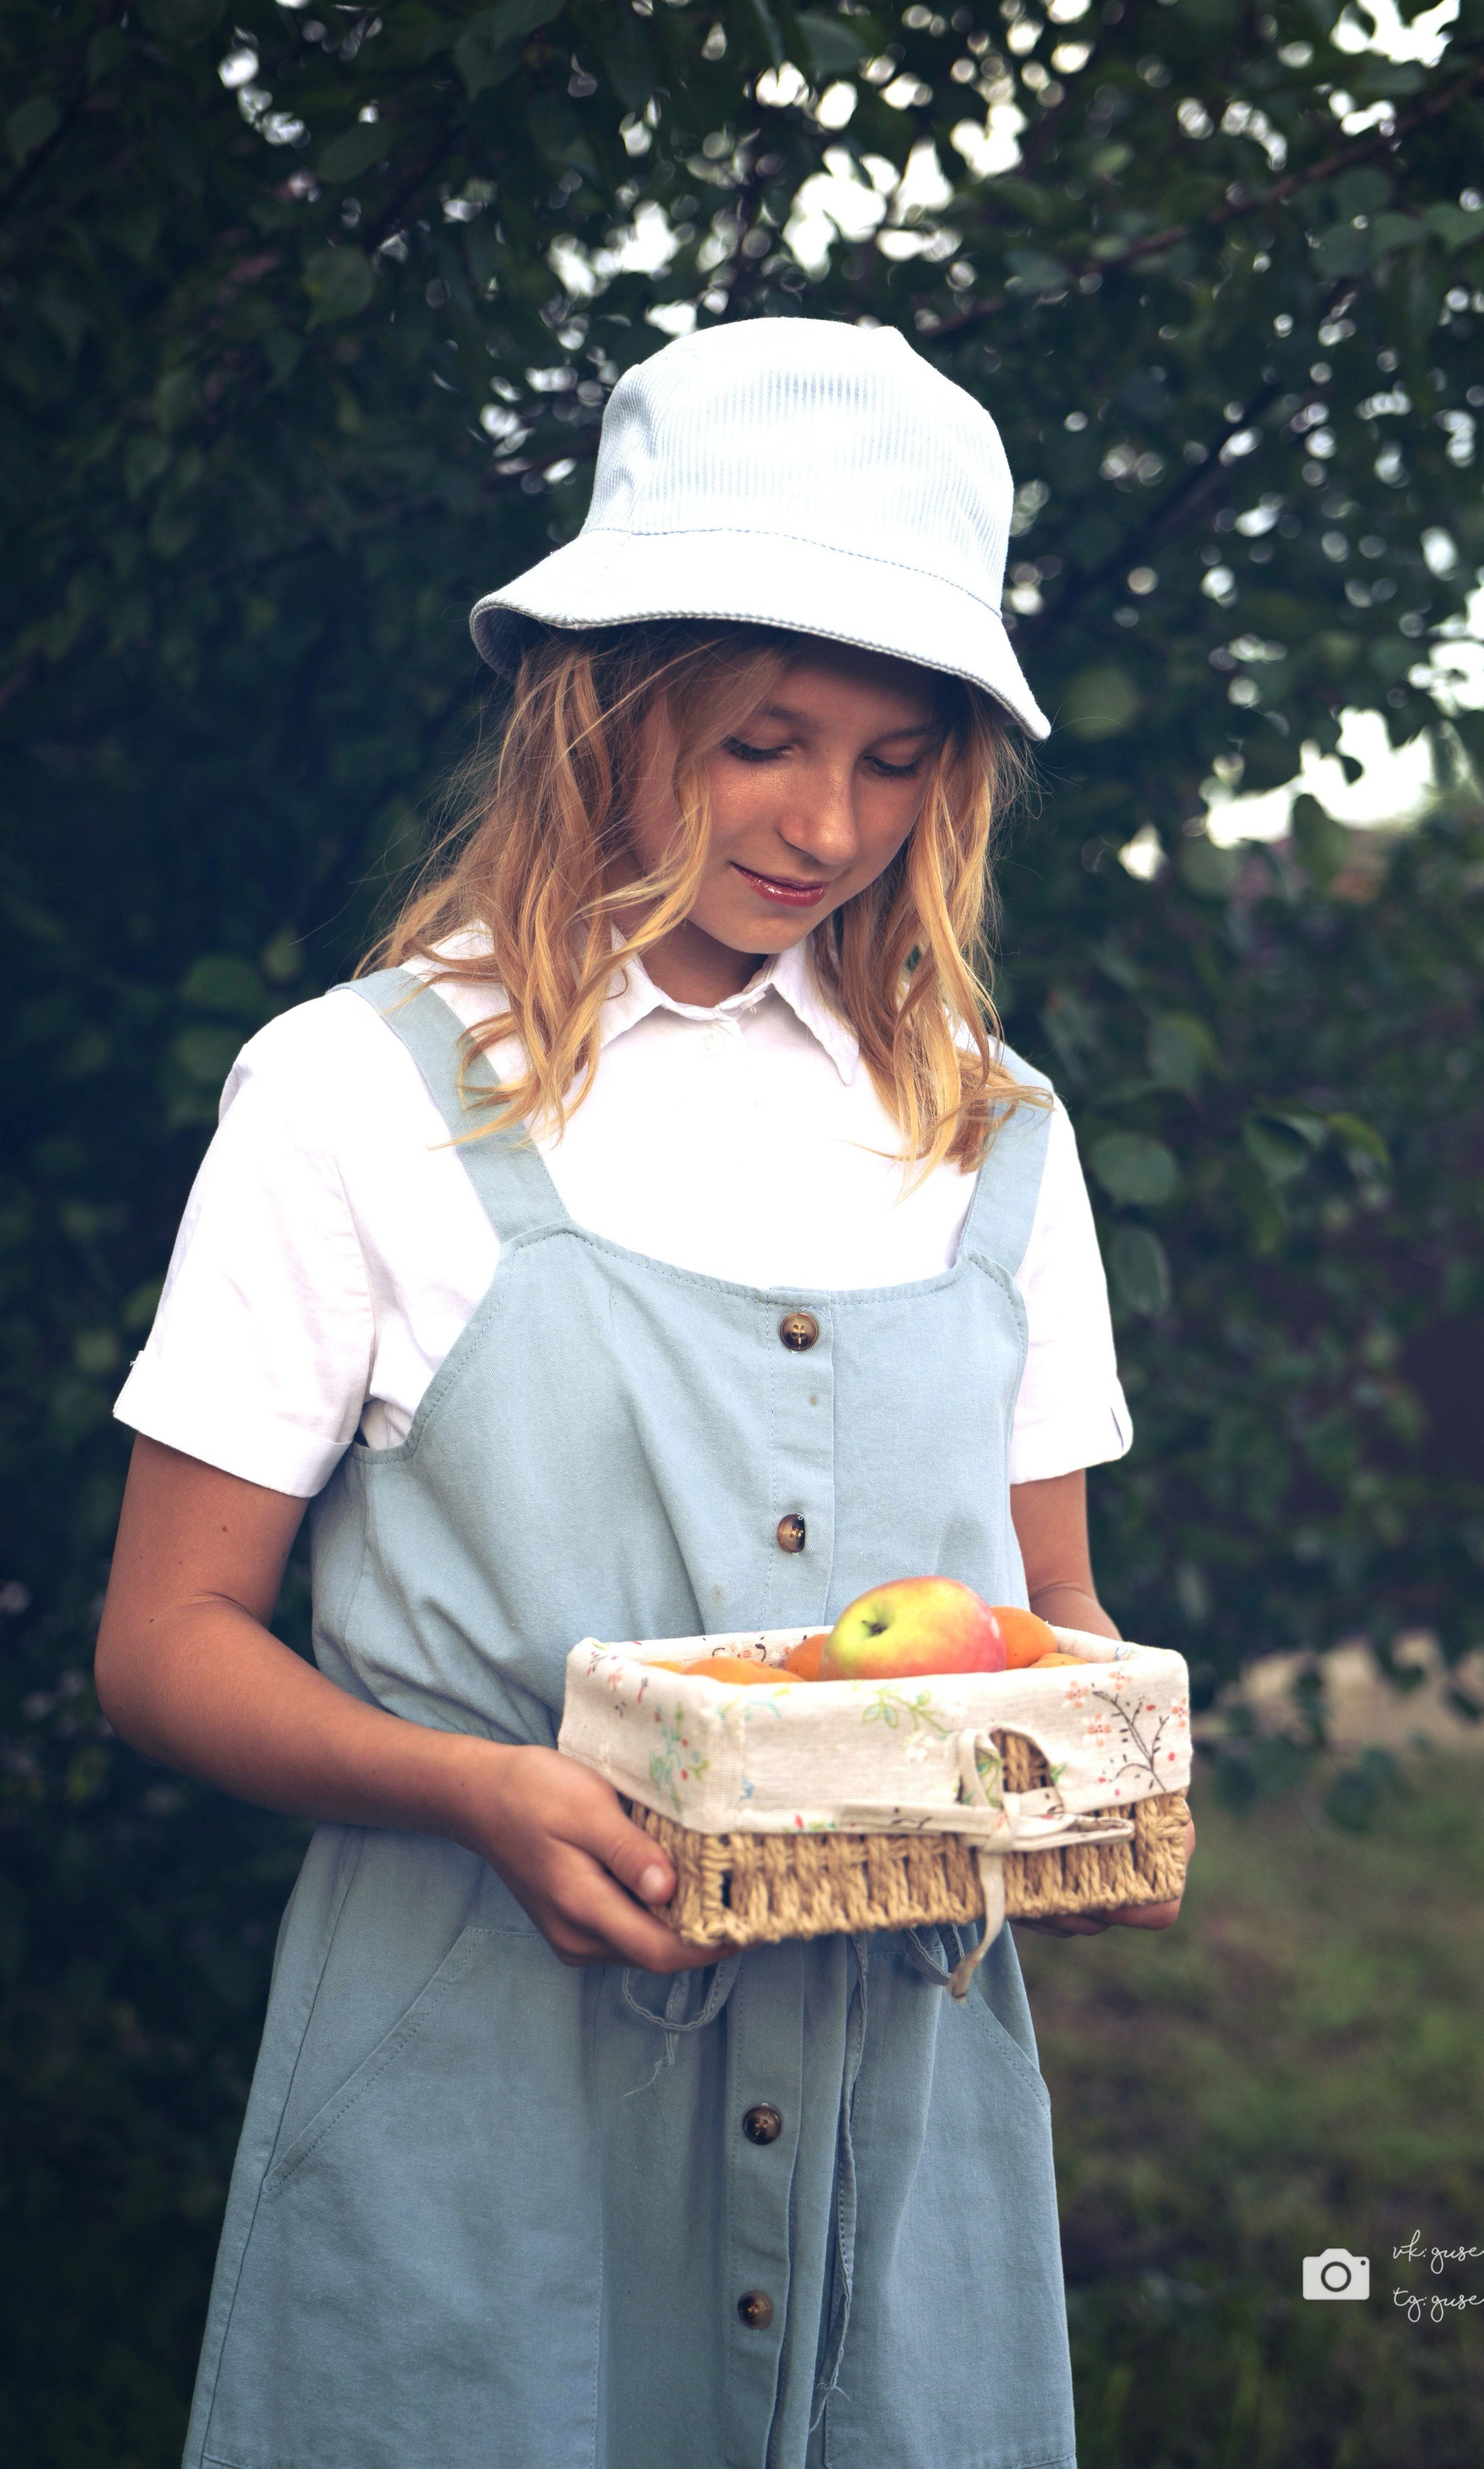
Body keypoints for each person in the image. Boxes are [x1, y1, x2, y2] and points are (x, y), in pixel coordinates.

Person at [96, 318, 1194, 2469]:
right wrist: (479, 1791)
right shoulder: (356, 1095)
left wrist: (1104, 1778)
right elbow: (162, 1649)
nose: (828, 825)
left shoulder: (996, 1137)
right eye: (766, 740)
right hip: (479, 2111)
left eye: (898, 761)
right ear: (608, 704)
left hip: (906, 2104)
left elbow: (1056, 1631)